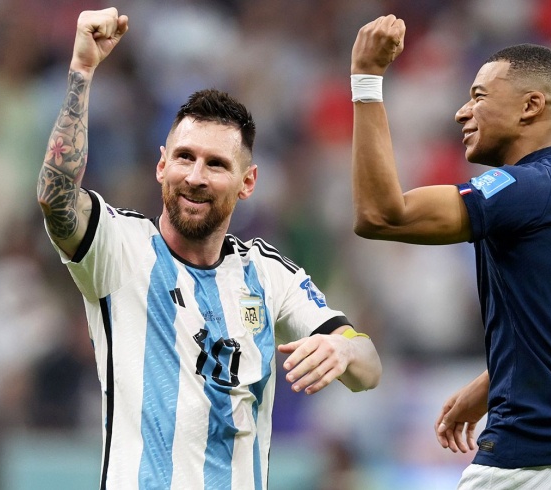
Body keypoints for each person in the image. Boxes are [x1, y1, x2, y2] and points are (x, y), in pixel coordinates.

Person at [37, 8, 381, 489]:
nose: (195, 177)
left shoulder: (269, 275)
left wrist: (343, 349)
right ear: (162, 166)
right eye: (185, 157)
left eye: (216, 164)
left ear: (247, 182)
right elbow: (55, 198)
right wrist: (82, 70)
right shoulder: (119, 247)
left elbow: (369, 367)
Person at [349, 15, 551, 489]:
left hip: (546, 456)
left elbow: (380, 215)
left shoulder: (524, 186)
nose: (461, 112)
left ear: (530, 106)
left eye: (478, 97)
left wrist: (367, 79)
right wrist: (494, 382)